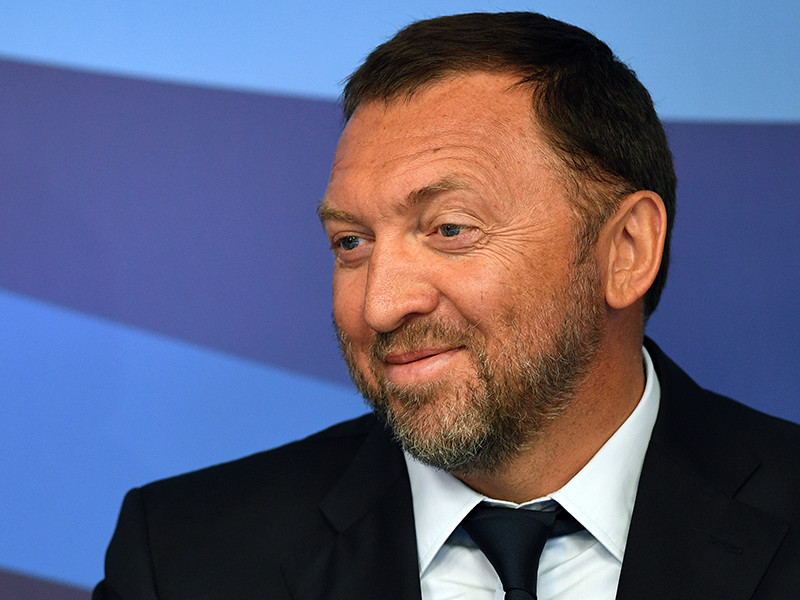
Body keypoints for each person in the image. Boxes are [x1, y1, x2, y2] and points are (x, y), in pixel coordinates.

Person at [93, 12, 800, 600]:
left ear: (626, 250)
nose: (381, 305)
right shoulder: (182, 559)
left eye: (450, 229)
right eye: (351, 242)